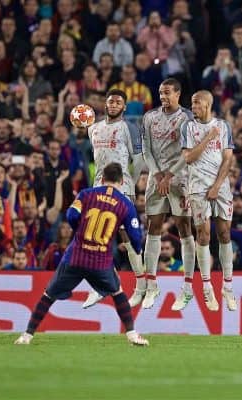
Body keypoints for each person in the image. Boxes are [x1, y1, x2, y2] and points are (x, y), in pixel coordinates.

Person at [14, 163, 148, 346]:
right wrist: (138, 249)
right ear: (122, 181)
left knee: (48, 295)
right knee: (118, 293)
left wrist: (80, 230)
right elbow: (135, 236)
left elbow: (70, 214)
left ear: (101, 178)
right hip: (101, 260)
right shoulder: (125, 204)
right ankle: (132, 334)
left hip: (76, 256)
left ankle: (26, 336)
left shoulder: (86, 194)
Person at [132, 78, 195, 310]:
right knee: (153, 227)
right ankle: (151, 285)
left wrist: (170, 175)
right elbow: (146, 149)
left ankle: (187, 287)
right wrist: (157, 174)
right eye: (160, 93)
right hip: (156, 178)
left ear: (178, 94)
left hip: (179, 177)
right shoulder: (150, 117)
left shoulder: (187, 118)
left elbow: (187, 153)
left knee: (185, 228)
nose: (163, 97)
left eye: (167, 93)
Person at [82, 88, 145, 308]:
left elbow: (138, 160)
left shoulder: (129, 127)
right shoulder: (94, 128)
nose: (114, 105)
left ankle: (140, 286)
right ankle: (100, 286)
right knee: (97, 237)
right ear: (105, 104)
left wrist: (130, 183)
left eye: (118, 102)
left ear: (124, 107)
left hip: (122, 188)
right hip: (99, 187)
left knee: (127, 237)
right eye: (111, 102)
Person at [181, 90, 236, 312]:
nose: (193, 107)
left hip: (220, 187)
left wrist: (216, 186)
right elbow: (188, 157)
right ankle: (206, 287)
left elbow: (228, 159)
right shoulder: (188, 127)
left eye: (197, 103)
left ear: (208, 104)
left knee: (224, 233)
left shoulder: (223, 126)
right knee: (203, 235)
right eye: (192, 103)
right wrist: (208, 138)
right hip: (197, 187)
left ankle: (228, 287)